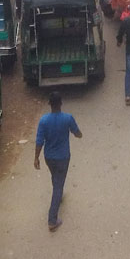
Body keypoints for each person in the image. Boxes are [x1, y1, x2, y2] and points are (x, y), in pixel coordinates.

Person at [34, 92, 82, 231]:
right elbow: (76, 132)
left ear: (50, 104)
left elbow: (39, 141)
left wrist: (36, 157)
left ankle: (58, 195)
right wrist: (79, 135)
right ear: (61, 103)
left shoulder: (44, 121)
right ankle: (52, 220)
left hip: (49, 157)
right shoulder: (67, 118)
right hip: (63, 157)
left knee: (55, 177)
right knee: (58, 185)